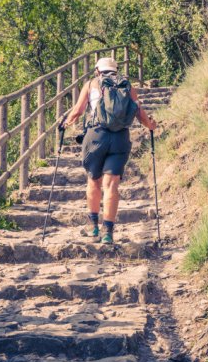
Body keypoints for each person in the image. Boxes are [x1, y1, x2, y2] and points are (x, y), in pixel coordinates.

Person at [61, 56, 158, 245]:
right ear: (115, 70)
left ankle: (93, 227)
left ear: (98, 70)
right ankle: (108, 233)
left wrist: (66, 123)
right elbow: (138, 111)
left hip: (96, 136)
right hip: (120, 138)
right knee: (112, 185)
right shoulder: (127, 86)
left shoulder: (91, 84)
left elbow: (79, 110)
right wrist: (150, 125)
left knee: (94, 181)